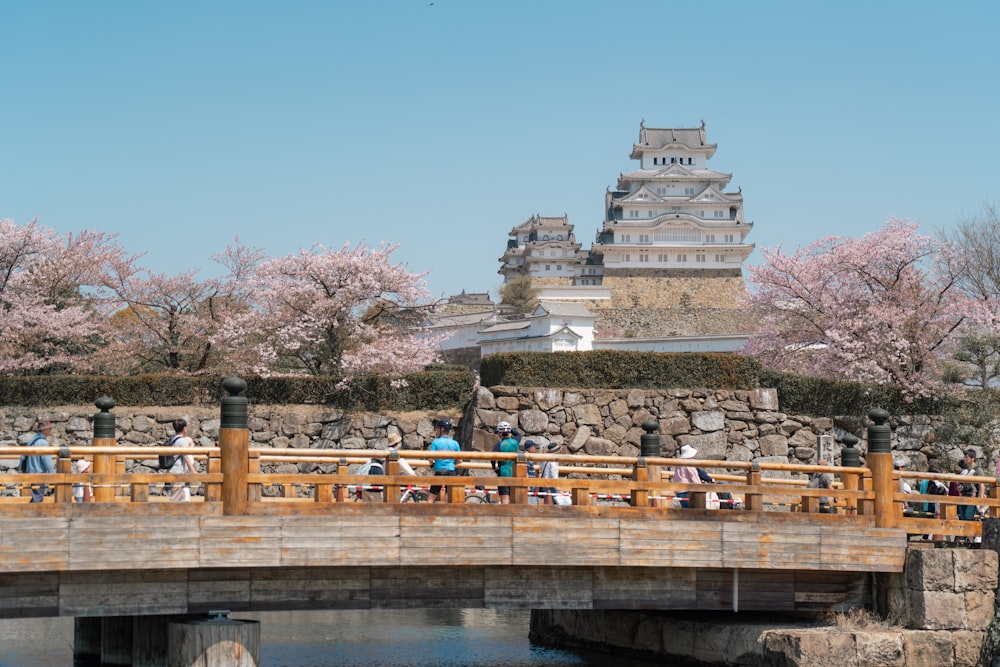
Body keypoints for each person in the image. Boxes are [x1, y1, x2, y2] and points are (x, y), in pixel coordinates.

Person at [20, 419, 56, 503]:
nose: (50, 430)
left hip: (30, 471)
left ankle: (29, 512)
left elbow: (23, 456)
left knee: (37, 495)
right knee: (38, 497)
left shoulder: (32, 440)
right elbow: (47, 461)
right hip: (39, 472)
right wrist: (53, 476)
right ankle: (31, 514)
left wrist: (22, 468)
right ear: (45, 430)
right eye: (49, 429)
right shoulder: (43, 443)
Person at [427, 418, 460, 503]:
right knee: (449, 498)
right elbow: (460, 460)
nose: (436, 431)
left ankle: (426, 515)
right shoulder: (455, 443)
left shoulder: (435, 442)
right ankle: (448, 515)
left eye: (437, 429)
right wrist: (452, 464)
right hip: (451, 471)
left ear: (441, 429)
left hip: (439, 471)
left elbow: (430, 458)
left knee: (431, 497)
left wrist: (432, 464)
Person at [167, 418, 198, 502]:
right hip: (178, 470)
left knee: (182, 495)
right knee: (175, 496)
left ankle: (182, 512)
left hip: (172, 469)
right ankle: (169, 512)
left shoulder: (172, 439)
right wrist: (193, 470)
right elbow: (187, 457)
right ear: (184, 428)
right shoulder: (182, 441)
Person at [957, 448, 984, 526]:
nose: (965, 459)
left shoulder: (978, 470)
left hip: (972, 496)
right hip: (963, 496)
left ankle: (971, 537)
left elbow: (981, 484)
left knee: (968, 517)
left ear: (973, 458)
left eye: (967, 457)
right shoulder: (965, 470)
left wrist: (981, 498)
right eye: (964, 457)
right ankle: (965, 537)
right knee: (962, 517)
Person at [494, 422, 518, 504]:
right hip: (515, 473)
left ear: (500, 433)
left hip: (503, 472)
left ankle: (505, 516)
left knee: (504, 498)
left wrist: (495, 468)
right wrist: (511, 430)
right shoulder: (515, 442)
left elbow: (492, 458)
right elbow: (519, 435)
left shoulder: (498, 445)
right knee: (514, 498)